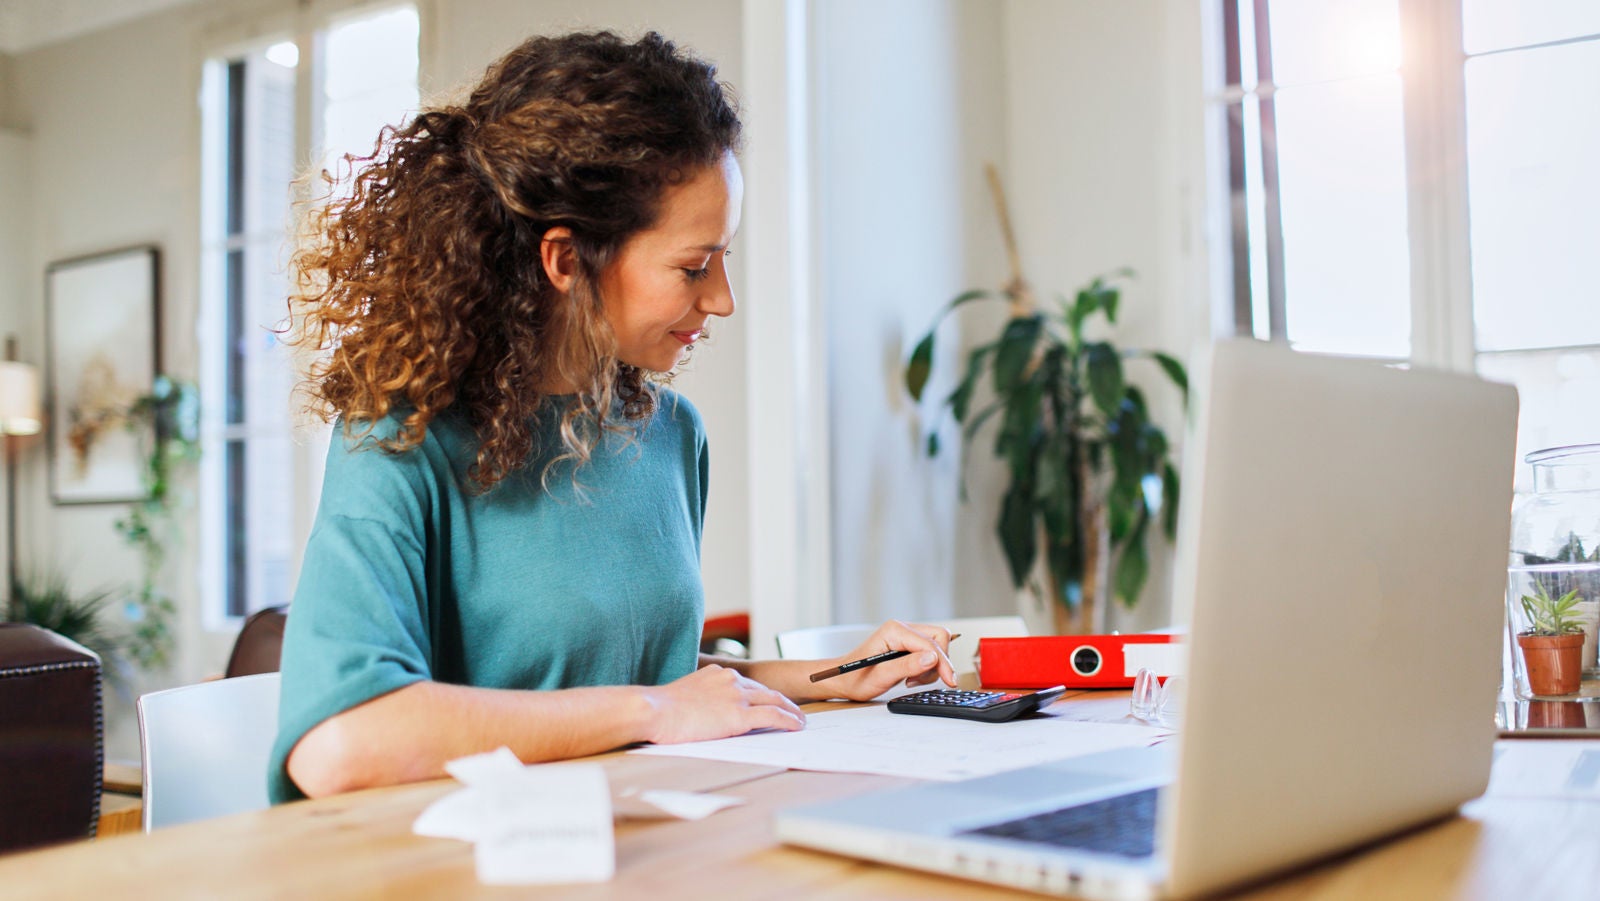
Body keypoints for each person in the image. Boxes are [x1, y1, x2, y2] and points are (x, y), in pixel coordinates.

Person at [269, 30, 956, 803]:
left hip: (637, 838)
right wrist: (656, 709)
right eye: (694, 266)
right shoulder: (401, 442)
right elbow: (340, 745)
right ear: (565, 260)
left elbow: (636, 683)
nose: (722, 298)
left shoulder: (671, 434)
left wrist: (837, 676)